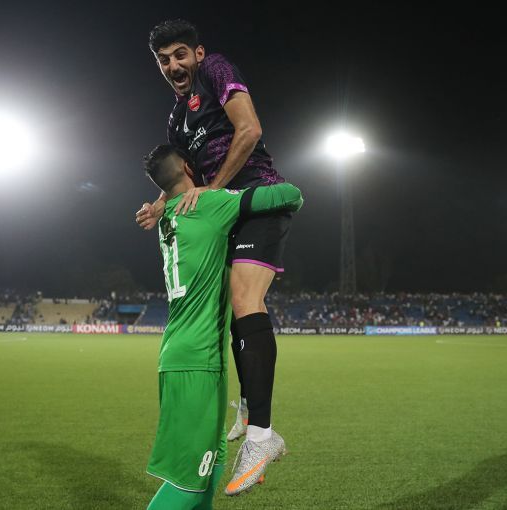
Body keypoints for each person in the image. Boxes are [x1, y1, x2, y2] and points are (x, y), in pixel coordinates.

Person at [136, 19, 294, 491]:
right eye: (164, 60)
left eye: (180, 55)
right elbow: (181, 174)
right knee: (227, 310)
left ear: (198, 54)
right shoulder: (176, 118)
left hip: (256, 196)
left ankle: (262, 436)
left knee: (245, 299)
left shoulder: (217, 70)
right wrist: (159, 204)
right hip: (226, 211)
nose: (173, 65)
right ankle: (248, 408)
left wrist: (214, 189)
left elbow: (249, 129)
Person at [142, 144, 302, 507]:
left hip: (190, 355)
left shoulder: (167, 218)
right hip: (196, 361)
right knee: (188, 483)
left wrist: (161, 201)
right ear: (189, 167)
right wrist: (217, 187)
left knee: (212, 463)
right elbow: (291, 195)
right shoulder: (208, 205)